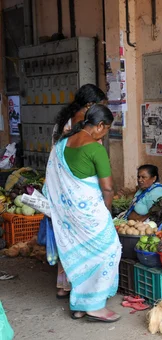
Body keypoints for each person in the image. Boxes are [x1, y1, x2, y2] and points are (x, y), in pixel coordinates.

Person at [43, 104, 121, 322]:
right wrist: (106, 212)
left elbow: (52, 180)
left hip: (68, 214)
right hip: (90, 214)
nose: (104, 135)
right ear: (100, 126)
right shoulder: (95, 149)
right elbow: (107, 188)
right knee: (109, 251)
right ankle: (94, 306)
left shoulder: (62, 144)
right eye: (106, 130)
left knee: (81, 256)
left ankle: (79, 304)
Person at [51, 84, 108, 299]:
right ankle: (82, 288)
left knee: (67, 237)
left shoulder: (63, 119)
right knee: (81, 240)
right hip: (78, 187)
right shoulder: (82, 125)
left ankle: (63, 285)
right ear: (89, 105)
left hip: (63, 186)